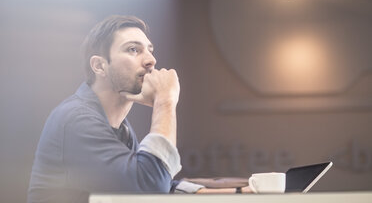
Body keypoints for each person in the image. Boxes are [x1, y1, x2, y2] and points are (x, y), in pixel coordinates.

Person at [28, 15, 250, 203]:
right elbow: (149, 190)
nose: (151, 60)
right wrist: (165, 101)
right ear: (99, 66)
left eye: (150, 50)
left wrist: (240, 193)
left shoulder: (119, 128)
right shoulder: (76, 119)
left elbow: (149, 181)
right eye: (133, 49)